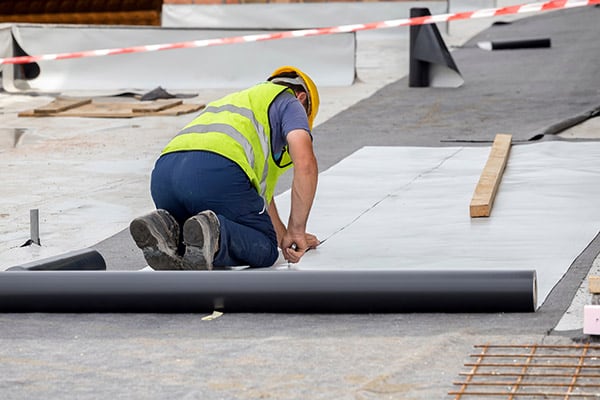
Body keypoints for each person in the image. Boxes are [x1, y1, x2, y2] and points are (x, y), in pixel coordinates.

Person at [129, 66, 321, 270]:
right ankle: (215, 233)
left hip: (164, 174)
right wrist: (298, 231)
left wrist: (287, 238)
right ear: (302, 98)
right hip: (216, 171)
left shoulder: (235, 102)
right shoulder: (291, 101)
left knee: (192, 238)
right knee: (264, 248)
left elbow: (261, 203)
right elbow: (306, 164)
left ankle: (165, 227)